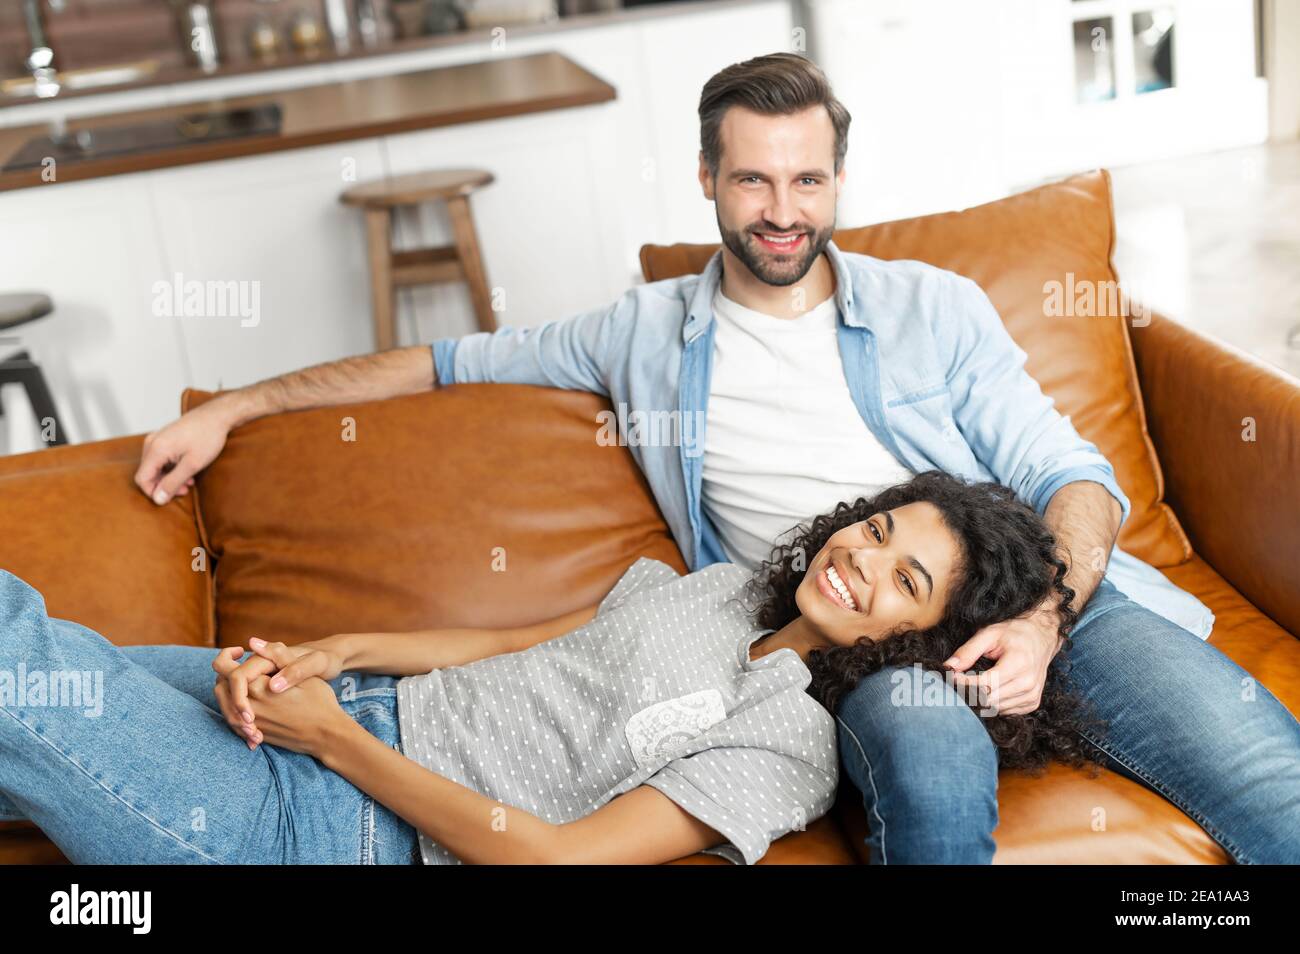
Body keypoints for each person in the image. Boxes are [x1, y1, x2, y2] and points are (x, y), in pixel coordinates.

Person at [132, 53, 1300, 863]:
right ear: (708, 179)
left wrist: (1046, 617)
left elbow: (1071, 477)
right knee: (931, 776)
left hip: (1057, 599)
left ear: (837, 180)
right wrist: (237, 402)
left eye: (806, 179)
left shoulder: (931, 309)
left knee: (1273, 792)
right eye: (752, 178)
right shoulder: (638, 333)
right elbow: (440, 361)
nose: (781, 211)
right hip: (868, 649)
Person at [2, 472, 1098, 864]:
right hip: (340, 709)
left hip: (326, 827)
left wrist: (330, 739)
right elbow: (513, 646)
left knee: (15, 660)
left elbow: (556, 860)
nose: (863, 561)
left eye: (906, 581)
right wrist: (335, 657)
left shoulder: (791, 747)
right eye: (878, 530)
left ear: (915, 640)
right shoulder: (718, 585)